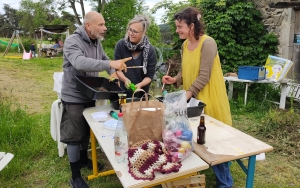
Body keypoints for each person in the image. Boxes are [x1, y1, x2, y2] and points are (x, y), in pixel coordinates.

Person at [162, 7, 233, 188]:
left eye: (180, 26)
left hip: (209, 95)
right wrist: (175, 79)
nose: (177, 30)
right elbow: (186, 70)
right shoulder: (185, 45)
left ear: (192, 26)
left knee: (214, 139)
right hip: (193, 97)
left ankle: (225, 183)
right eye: (177, 26)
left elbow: (204, 75)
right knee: (194, 135)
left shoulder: (208, 43)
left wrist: (186, 94)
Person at [60, 11, 131, 188]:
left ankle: (83, 159)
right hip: (74, 95)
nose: (104, 28)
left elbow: (106, 61)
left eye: (104, 24)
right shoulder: (72, 41)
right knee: (74, 135)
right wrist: (110, 64)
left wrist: (122, 77)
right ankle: (75, 176)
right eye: (101, 24)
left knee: (86, 130)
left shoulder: (96, 42)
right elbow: (79, 62)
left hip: (90, 92)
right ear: (88, 25)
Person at [114, 14, 157, 97]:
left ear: (143, 32)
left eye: (135, 31)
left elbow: (149, 76)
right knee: (123, 109)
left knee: (141, 110)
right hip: (123, 93)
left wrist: (140, 85)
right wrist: (125, 79)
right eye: (130, 30)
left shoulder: (150, 50)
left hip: (142, 95)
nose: (131, 33)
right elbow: (118, 69)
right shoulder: (120, 45)